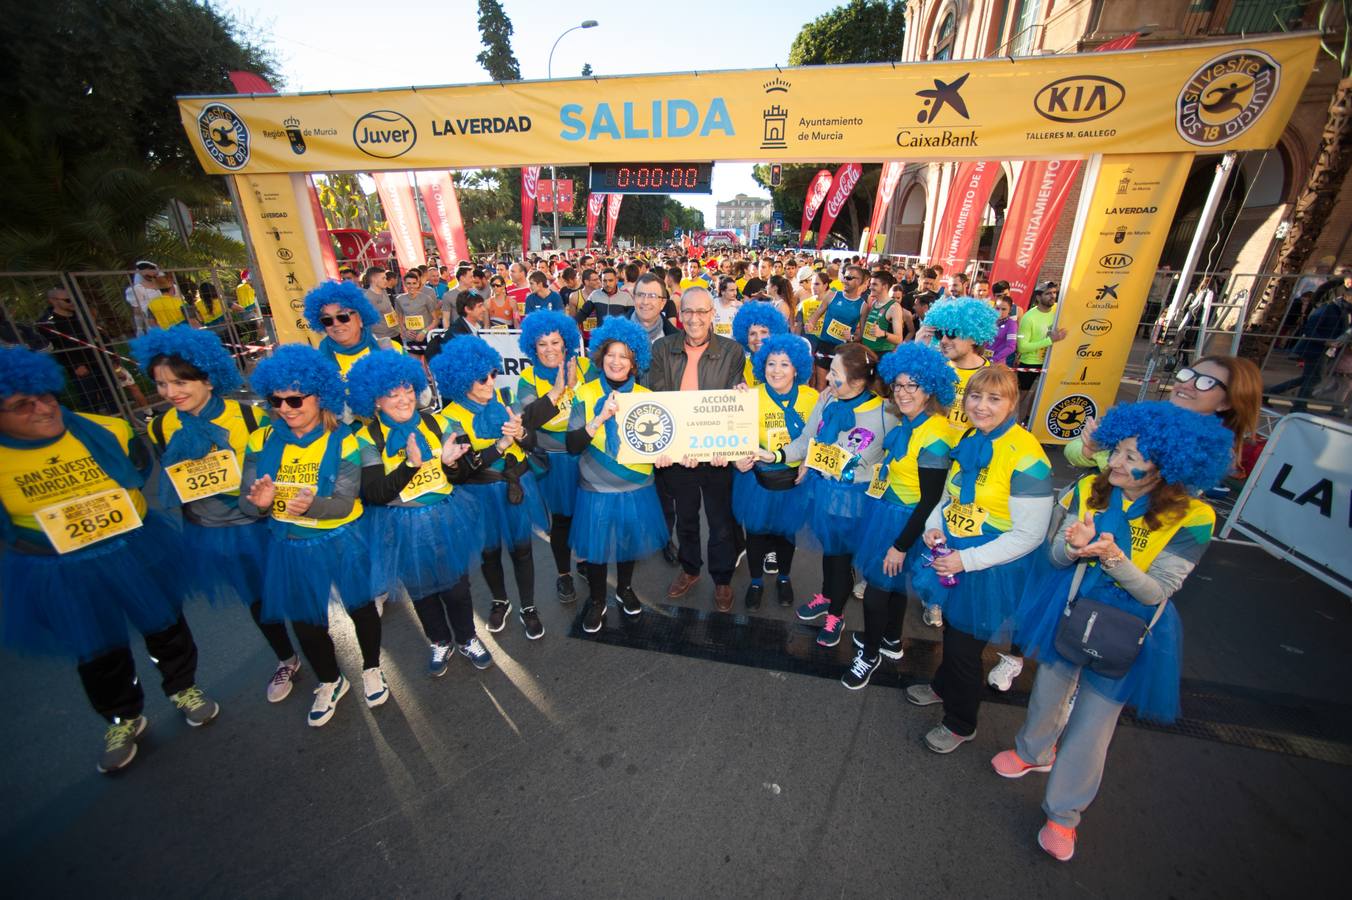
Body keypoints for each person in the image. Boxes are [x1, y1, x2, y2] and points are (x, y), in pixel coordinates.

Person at [997, 402, 1232, 862]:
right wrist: (1071, 547)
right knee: (1048, 689)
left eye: (1132, 456)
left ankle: (1063, 815)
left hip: (1130, 627)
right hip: (1070, 607)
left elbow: (1156, 591)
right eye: (1118, 451)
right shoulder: (1089, 487)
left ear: (1167, 465)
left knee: (1094, 723)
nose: (1117, 463)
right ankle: (1032, 751)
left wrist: (1112, 558)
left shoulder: (1195, 516)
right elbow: (1054, 558)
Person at [0, 346, 219, 773]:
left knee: (165, 624)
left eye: (46, 395)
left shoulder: (110, 430)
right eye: (22, 404)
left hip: (132, 547)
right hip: (61, 568)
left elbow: (139, 469)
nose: (42, 408)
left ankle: (183, 687)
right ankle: (123, 717)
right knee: (97, 649)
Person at [131, 326, 304, 702]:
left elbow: (282, 463)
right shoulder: (161, 426)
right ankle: (286, 658)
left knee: (296, 588)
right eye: (161, 385)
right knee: (257, 600)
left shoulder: (248, 417)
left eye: (180, 382)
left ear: (208, 379)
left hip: (261, 523)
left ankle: (323, 655)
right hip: (210, 531)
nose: (171, 392)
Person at [906, 365, 1053, 754]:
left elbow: (1029, 534)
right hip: (955, 550)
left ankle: (961, 722)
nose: (981, 406)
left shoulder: (1027, 456)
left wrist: (965, 561)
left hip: (993, 567)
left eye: (994, 398)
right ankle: (942, 686)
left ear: (1013, 403)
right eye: (975, 396)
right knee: (954, 633)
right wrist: (934, 527)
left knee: (964, 650)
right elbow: (949, 495)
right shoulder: (972, 436)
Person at [240, 345, 385, 727]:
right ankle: (330, 680)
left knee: (360, 607)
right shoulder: (259, 440)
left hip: (341, 536)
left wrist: (310, 506)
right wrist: (260, 503)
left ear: (320, 394)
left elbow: (343, 502)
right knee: (306, 621)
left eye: (294, 399)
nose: (285, 408)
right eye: (276, 400)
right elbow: (247, 501)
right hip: (291, 544)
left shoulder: (347, 440)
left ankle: (372, 667)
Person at [347, 350, 493, 676]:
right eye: (392, 394)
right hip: (399, 526)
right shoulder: (367, 438)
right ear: (374, 401)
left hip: (446, 515)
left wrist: (453, 462)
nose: (404, 400)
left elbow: (463, 474)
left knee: (457, 588)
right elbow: (374, 493)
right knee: (421, 591)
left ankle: (467, 637)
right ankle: (439, 641)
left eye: (408, 390)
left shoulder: (437, 421)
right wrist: (411, 466)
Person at [843, 343, 959, 689]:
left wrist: (900, 544)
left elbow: (930, 500)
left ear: (931, 389)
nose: (904, 392)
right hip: (888, 510)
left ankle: (871, 654)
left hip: (906, 521)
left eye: (914, 385)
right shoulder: (909, 422)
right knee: (890, 586)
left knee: (878, 587)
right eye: (900, 384)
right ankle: (891, 639)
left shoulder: (935, 435)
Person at [432, 336, 550, 639]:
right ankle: (500, 600)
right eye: (482, 377)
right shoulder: (451, 417)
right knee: (489, 552)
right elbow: (469, 464)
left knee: (522, 549)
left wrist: (522, 432)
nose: (490, 381)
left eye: (493, 374)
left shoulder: (506, 396)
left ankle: (528, 606)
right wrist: (502, 444)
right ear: (462, 380)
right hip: (479, 493)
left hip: (517, 486)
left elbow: (532, 442)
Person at [566, 318, 670, 631]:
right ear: (601, 356)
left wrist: (665, 455)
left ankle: (624, 588)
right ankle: (597, 600)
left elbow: (660, 440)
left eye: (624, 356)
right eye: (611, 354)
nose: (616, 361)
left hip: (637, 485)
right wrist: (599, 418)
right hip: (596, 488)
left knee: (628, 543)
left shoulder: (645, 395)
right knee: (596, 549)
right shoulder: (583, 394)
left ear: (634, 361)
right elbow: (572, 445)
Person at [788, 343, 895, 647]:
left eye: (835, 373)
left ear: (858, 380)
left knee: (841, 559)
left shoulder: (886, 412)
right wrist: (786, 458)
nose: (827, 378)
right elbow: (809, 439)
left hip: (854, 498)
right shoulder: (827, 400)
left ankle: (836, 613)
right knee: (829, 550)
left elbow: (897, 456)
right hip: (822, 490)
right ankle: (826, 594)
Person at [646, 286, 746, 612]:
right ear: (679, 314)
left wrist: (728, 441)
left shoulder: (732, 351)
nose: (694, 318)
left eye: (702, 312)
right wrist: (670, 446)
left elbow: (733, 403)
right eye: (687, 311)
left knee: (720, 521)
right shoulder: (662, 348)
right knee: (686, 518)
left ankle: (722, 579)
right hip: (678, 454)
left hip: (716, 455)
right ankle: (690, 570)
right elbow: (658, 398)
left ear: (712, 314)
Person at [732, 334, 818, 610]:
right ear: (762, 366)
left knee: (786, 533)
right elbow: (733, 435)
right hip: (758, 479)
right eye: (771, 363)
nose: (777, 370)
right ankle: (756, 581)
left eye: (784, 364)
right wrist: (737, 459)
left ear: (797, 368)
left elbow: (820, 437)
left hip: (795, 479)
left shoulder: (811, 397)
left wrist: (809, 461)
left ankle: (783, 578)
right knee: (755, 533)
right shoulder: (749, 395)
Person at [1066, 355, 1262, 475]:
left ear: (1226, 402)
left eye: (1205, 382)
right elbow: (1073, 452)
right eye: (1188, 375)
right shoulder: (1142, 415)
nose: (1187, 384)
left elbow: (1144, 482)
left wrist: (1098, 452)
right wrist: (1089, 450)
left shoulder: (1213, 449)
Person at [514, 311, 587, 604]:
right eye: (542, 344)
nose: (549, 350)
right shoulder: (527, 378)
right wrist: (560, 390)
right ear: (533, 347)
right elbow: (529, 420)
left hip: (586, 456)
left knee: (586, 513)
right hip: (554, 462)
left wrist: (575, 384)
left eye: (555, 342)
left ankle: (583, 561)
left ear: (566, 343)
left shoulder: (584, 366)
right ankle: (563, 574)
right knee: (561, 520)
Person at [1267, 288, 1352, 412]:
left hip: (1326, 350)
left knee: (1309, 378)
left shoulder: (1343, 311)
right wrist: (1324, 341)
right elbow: (1309, 328)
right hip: (1315, 349)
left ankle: (1273, 394)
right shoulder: (1328, 308)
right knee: (1314, 378)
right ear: (1346, 297)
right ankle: (1298, 405)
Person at [307, 281, 399, 379]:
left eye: (343, 316)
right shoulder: (316, 363)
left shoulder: (391, 349)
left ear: (360, 318)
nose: (336, 323)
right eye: (327, 320)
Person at [806, 265, 869, 390]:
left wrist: (851, 337)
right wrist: (811, 324)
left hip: (842, 351)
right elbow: (816, 315)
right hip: (824, 346)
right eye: (845, 277)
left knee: (837, 388)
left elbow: (861, 335)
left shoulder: (863, 306)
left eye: (850, 278)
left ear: (859, 282)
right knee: (821, 386)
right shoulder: (832, 295)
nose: (845, 280)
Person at [1016, 289, 1068, 423]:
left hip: (1050, 360)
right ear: (1038, 297)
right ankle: (1005, 422)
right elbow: (1022, 346)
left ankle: (1027, 420)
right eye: (1048, 293)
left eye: (1054, 293)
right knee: (1020, 395)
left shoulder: (1057, 309)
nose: (1053, 296)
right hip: (1030, 362)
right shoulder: (1029, 317)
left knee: (1042, 394)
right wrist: (1050, 341)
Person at [731, 301, 789, 388]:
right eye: (752, 333)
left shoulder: (787, 363)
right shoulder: (740, 366)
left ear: (774, 334)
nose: (758, 338)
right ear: (745, 337)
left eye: (764, 332)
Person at [860, 270, 908, 355]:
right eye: (870, 284)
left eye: (874, 284)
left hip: (881, 354)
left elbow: (899, 339)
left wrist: (883, 333)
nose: (870, 287)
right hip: (867, 351)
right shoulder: (874, 302)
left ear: (884, 286)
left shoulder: (894, 307)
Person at [396, 269, 440, 357]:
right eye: (408, 283)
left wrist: (424, 331)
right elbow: (399, 318)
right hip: (410, 338)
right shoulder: (399, 299)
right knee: (415, 367)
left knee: (430, 367)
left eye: (414, 283)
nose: (411, 286)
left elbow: (436, 320)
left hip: (426, 336)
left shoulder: (426, 298)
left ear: (418, 283)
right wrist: (405, 331)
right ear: (404, 284)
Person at [631, 273, 680, 342]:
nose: (645, 302)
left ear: (663, 303)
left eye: (652, 296)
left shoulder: (676, 340)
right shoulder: (615, 334)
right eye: (640, 295)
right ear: (634, 298)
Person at [361, 265, 402, 343]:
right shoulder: (367, 298)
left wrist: (400, 329)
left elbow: (390, 310)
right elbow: (364, 321)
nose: (386, 280)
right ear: (374, 279)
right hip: (381, 338)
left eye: (385, 278)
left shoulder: (384, 291)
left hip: (395, 334)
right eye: (383, 278)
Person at [988, 296, 1018, 367]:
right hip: (982, 359)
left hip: (996, 363)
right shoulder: (989, 321)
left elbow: (1011, 347)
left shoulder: (1011, 324)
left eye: (1004, 309)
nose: (1000, 312)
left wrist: (994, 359)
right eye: (997, 308)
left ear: (1010, 310)